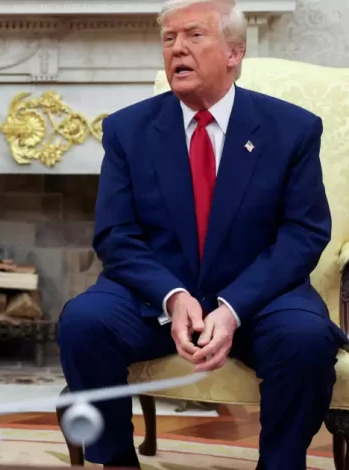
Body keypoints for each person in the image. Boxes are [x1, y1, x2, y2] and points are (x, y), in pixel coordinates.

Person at [57, 0, 348, 468]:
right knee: (83, 323)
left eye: (194, 35)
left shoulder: (291, 129)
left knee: (306, 339)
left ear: (234, 53)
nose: (177, 48)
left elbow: (304, 233)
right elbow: (115, 235)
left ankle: (279, 463)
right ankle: (116, 460)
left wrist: (232, 308)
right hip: (155, 295)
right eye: (169, 38)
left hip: (260, 297)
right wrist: (172, 297)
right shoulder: (128, 129)